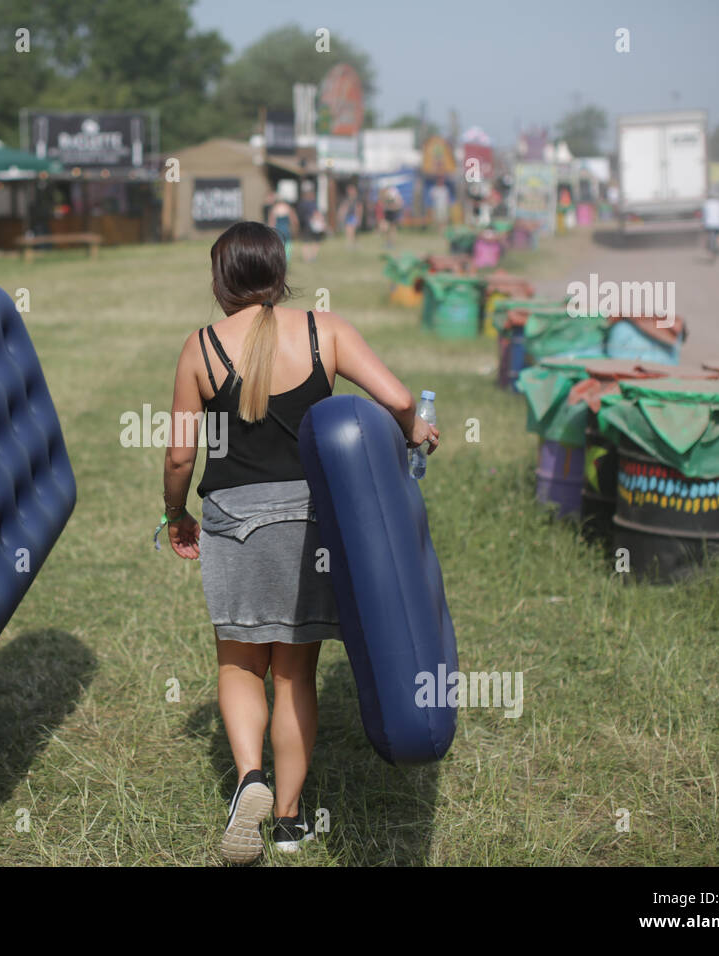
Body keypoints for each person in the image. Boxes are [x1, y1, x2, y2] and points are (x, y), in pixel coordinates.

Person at [161, 221, 439, 863]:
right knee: (293, 675)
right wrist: (419, 430)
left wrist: (175, 512)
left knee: (238, 664)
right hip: (314, 524)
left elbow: (181, 454)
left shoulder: (200, 348)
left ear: (220, 280)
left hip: (234, 520)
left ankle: (249, 780)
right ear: (280, 276)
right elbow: (397, 398)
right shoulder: (325, 330)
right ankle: (288, 822)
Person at [295, 183, 324, 263]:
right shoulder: (312, 204)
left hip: (304, 224)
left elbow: (298, 214)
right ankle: (313, 256)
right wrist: (322, 222)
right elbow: (315, 214)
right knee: (316, 241)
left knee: (306, 242)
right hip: (312, 225)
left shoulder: (301, 203)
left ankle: (306, 258)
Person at [266, 191, 296, 262]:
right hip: (286, 230)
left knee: (278, 248)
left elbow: (271, 223)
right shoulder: (288, 208)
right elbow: (293, 220)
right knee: (287, 248)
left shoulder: (274, 209)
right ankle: (285, 263)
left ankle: (279, 262)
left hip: (277, 230)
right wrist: (294, 229)